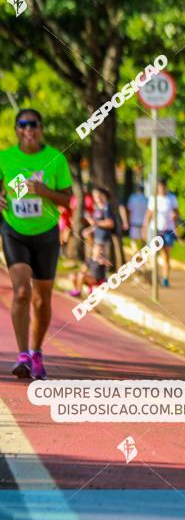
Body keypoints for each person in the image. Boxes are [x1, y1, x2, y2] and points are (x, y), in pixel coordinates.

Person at [0, 109, 73, 380]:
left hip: (46, 235)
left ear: (41, 128)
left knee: (42, 300)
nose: (28, 129)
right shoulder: (5, 157)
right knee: (21, 292)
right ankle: (22, 356)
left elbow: (68, 199)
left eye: (33, 124)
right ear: (16, 129)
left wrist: (45, 192)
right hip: (14, 231)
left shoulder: (55, 158)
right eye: (22, 125)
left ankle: (37, 352)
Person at [142, 179, 179, 287]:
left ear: (166, 187)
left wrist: (175, 216)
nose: (161, 190)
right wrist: (145, 228)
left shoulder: (171, 198)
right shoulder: (153, 199)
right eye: (159, 188)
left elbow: (177, 213)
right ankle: (153, 278)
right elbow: (148, 214)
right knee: (153, 254)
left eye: (163, 187)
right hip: (155, 230)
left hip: (168, 230)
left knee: (166, 255)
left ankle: (166, 279)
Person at [84, 186, 116, 255]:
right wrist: (89, 230)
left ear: (103, 195)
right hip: (97, 240)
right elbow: (96, 224)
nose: (97, 198)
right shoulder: (98, 208)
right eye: (95, 196)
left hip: (105, 242)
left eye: (98, 195)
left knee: (103, 263)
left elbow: (110, 224)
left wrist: (95, 222)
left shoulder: (106, 207)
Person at [123, 184, 148, 258]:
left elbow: (129, 210)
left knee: (133, 242)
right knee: (143, 242)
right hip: (143, 224)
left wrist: (127, 221)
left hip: (134, 223)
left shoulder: (132, 198)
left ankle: (135, 257)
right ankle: (143, 258)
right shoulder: (146, 199)